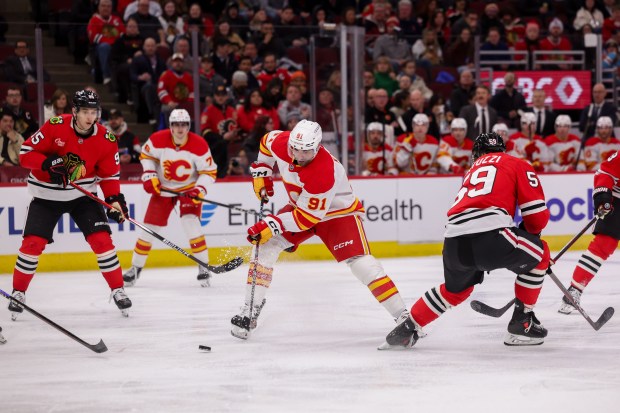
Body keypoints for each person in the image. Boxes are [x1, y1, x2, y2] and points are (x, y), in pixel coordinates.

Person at [230, 120, 410, 339]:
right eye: (295, 149)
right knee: (266, 246)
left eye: (306, 151)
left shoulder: (325, 171)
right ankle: (251, 309)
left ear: (317, 147)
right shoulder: (283, 142)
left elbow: (306, 219)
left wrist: (273, 224)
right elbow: (265, 143)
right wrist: (263, 170)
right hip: (302, 207)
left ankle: (404, 317)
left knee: (362, 264)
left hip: (337, 214)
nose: (299, 156)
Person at [381, 132, 551, 349]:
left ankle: (407, 328)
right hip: (491, 236)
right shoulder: (517, 164)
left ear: (476, 154)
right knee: (542, 253)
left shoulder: (472, 171)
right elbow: (536, 217)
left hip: (453, 241)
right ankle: (522, 323)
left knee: (455, 290)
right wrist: (532, 242)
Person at [7, 90, 132, 319]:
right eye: (85, 111)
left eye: (93, 112)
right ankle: (18, 292)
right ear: (74, 111)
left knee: (102, 240)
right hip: (46, 195)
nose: (89, 117)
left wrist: (114, 200)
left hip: (82, 196)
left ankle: (118, 289)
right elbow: (25, 154)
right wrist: (47, 162)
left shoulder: (106, 139)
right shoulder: (55, 125)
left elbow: (109, 176)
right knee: (33, 244)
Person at [123, 109, 218, 287]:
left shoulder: (199, 144)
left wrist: (199, 190)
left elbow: (209, 172)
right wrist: (150, 175)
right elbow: (146, 157)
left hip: (188, 189)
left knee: (191, 223)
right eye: (176, 124)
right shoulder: (158, 139)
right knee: (149, 228)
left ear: (188, 126)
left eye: (183, 124)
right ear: (170, 126)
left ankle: (203, 267)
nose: (180, 128)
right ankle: (135, 268)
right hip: (163, 189)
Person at [558, 149, 620, 314]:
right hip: (618, 199)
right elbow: (605, 173)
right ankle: (574, 289)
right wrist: (603, 197)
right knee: (604, 243)